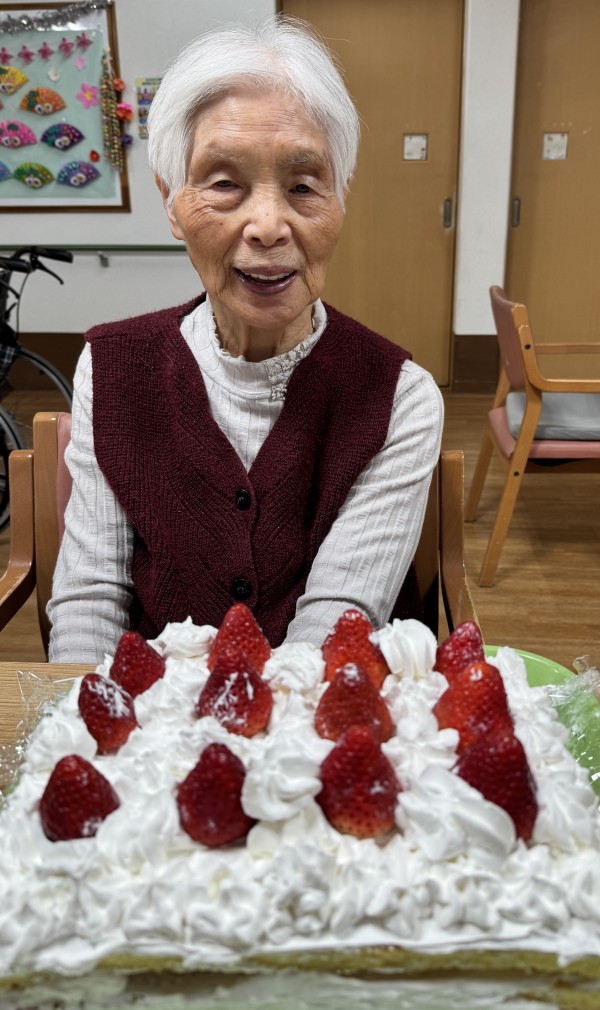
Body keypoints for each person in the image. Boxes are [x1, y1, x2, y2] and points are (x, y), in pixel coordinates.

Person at [48, 16, 443, 663]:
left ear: (341, 197)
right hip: (149, 713)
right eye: (225, 183)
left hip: (323, 713)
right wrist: (89, 717)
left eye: (303, 186)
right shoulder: (113, 367)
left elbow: (335, 626)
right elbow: (90, 599)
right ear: (171, 201)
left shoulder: (400, 397)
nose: (267, 226)